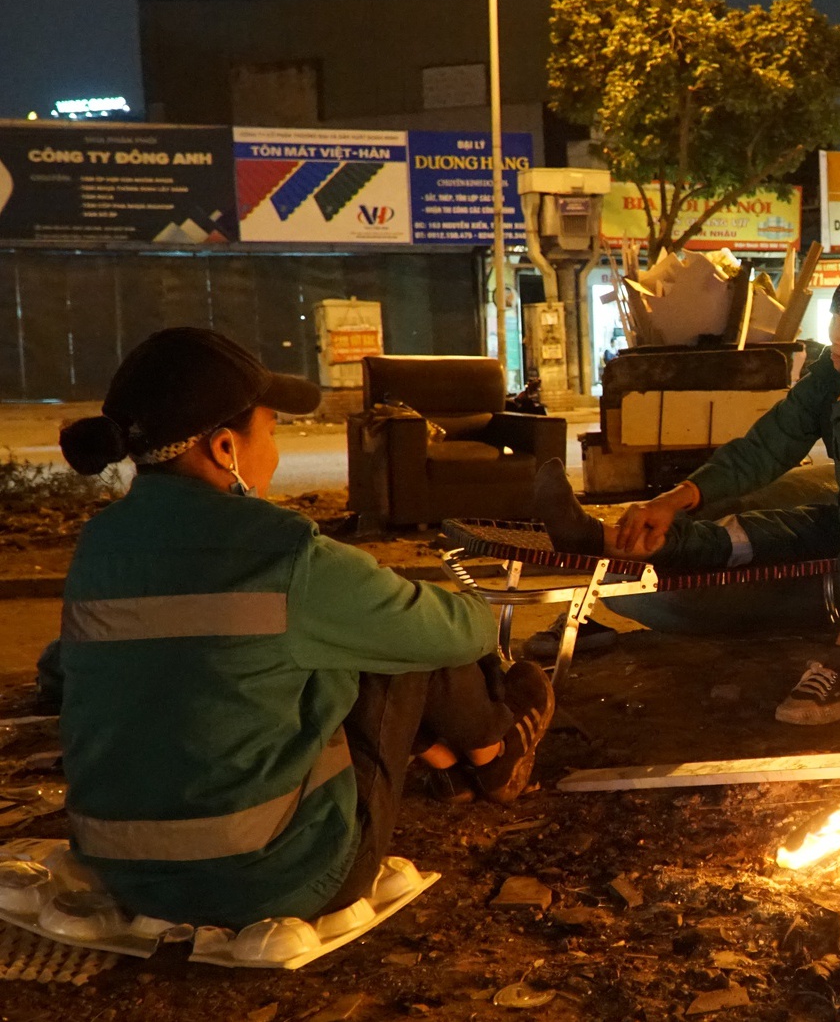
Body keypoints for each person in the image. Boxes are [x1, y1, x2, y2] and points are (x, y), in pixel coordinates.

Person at [40, 327, 556, 930]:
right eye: (274, 432)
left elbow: (63, 668)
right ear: (225, 448)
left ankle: (461, 759)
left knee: (326, 641)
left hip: (125, 875)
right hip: (282, 878)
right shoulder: (276, 551)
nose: (277, 454)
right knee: (397, 635)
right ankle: (493, 747)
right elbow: (462, 631)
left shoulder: (99, 548)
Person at [537, 254, 840, 727]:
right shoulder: (830, 369)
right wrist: (672, 500)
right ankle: (604, 540)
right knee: (771, 528)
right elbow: (765, 448)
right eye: (838, 318)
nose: (839, 334)